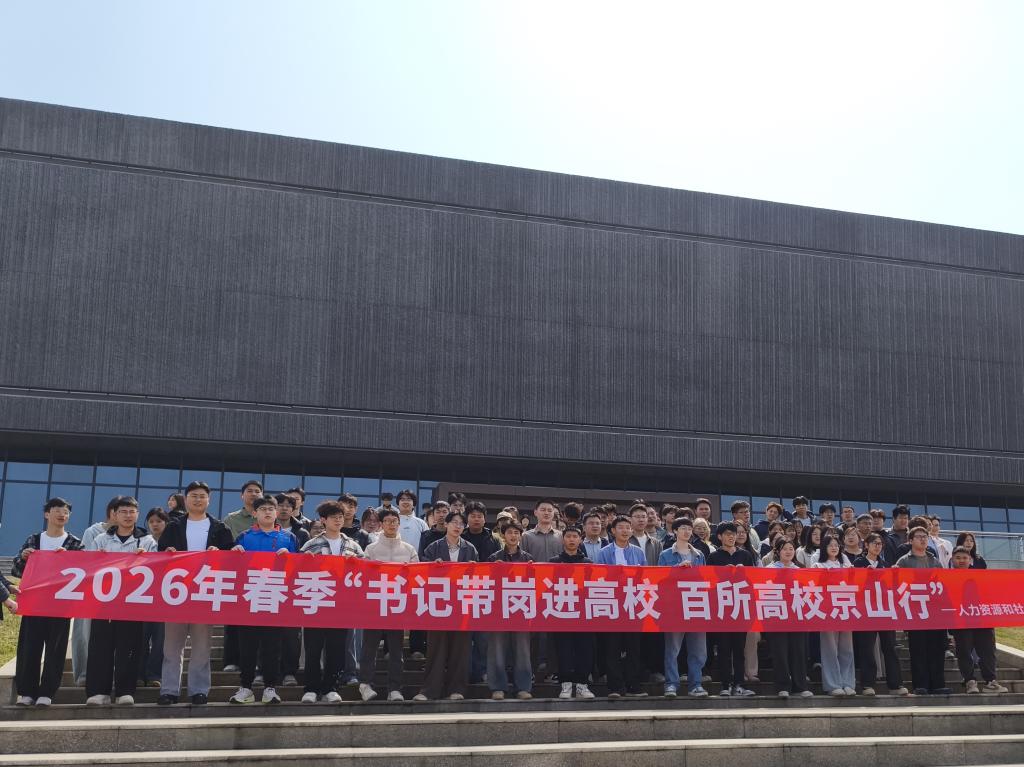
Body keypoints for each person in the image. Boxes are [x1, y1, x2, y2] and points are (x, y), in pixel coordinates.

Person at [158, 481, 234, 705]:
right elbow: (160, 554)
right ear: (186, 499)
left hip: (205, 593)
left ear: (209, 500)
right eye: (193, 496)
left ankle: (199, 690)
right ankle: (169, 690)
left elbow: (232, 557)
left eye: (202, 496)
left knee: (202, 646)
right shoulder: (173, 526)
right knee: (172, 647)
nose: (198, 500)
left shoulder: (220, 528)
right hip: (176, 593)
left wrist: (220, 553)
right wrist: (167, 552)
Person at [86, 496, 158, 706]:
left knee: (130, 648)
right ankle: (98, 691)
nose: (128, 516)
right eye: (123, 512)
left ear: (137, 515)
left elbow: (156, 570)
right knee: (100, 647)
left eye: (132, 512)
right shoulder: (101, 540)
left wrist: (145, 559)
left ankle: (125, 691)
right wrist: (96, 559)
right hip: (104, 604)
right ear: (114, 515)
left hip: (132, 604)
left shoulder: (147, 541)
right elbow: (88, 568)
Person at [228, 494, 298, 705]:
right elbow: (232, 567)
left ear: (276, 513)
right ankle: (246, 687)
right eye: (263, 509)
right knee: (247, 648)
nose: (267, 512)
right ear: (254, 513)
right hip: (249, 599)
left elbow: (300, 569)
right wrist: (233, 552)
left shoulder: (289, 538)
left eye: (271, 509)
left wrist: (292, 558)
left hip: (276, 598)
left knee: (272, 647)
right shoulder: (244, 537)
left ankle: (270, 688)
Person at [12, 497, 83, 706]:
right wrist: (24, 558)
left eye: (66, 512)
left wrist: (69, 558)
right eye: (57, 510)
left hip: (61, 605)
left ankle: (47, 692)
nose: (62, 515)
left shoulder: (74, 543)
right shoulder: (34, 540)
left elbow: (84, 572)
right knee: (30, 648)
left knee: (56, 650)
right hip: (34, 603)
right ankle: (27, 693)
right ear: (47, 514)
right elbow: (17, 571)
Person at [301, 500, 365, 703]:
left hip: (342, 606)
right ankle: (311, 688)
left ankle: (331, 687)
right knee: (313, 649)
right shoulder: (311, 544)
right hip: (317, 603)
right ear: (323, 520)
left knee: (337, 649)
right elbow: (298, 572)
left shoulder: (353, 545)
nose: (338, 521)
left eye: (340, 517)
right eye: (333, 517)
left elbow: (365, 572)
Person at [415, 511, 479, 700]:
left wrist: (474, 568)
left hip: (462, 604)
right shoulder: (434, 547)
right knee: (436, 649)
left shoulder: (470, 548)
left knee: (461, 650)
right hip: (439, 604)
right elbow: (422, 570)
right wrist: (432, 565)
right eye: (454, 522)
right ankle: (429, 690)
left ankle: (456, 689)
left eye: (461, 523)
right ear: (447, 525)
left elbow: (478, 576)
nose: (458, 526)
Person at [357, 507, 417, 702]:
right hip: (375, 605)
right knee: (369, 647)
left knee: (396, 650)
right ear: (381, 525)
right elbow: (364, 576)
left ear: (399, 524)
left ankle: (395, 688)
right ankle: (365, 684)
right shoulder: (371, 549)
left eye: (395, 521)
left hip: (397, 606)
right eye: (388, 521)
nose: (392, 524)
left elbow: (418, 576)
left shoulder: (409, 549)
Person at [595, 515, 647, 697]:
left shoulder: (638, 552)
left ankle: (633, 685)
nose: (625, 530)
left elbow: (645, 577)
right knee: (613, 647)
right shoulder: (604, 553)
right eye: (621, 527)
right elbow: (599, 577)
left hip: (633, 605)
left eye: (627, 527)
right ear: (613, 531)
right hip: (612, 605)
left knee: (634, 648)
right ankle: (615, 687)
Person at [895, 525, 950, 695]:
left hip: (934, 612)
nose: (923, 539)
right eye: (919, 537)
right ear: (910, 540)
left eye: (925, 536)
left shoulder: (935, 561)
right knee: (918, 649)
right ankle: (921, 685)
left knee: (937, 649)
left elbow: (942, 585)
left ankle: (938, 684)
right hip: (915, 611)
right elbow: (897, 585)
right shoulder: (904, 561)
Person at [852, 533, 908, 696]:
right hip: (866, 611)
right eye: (874, 543)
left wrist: (895, 575)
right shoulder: (859, 563)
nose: (878, 546)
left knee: (890, 647)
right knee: (867, 648)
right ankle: (867, 684)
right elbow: (853, 584)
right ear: (866, 545)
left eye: (880, 544)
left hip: (884, 611)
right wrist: (864, 574)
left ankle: (895, 685)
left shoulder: (885, 565)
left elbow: (893, 588)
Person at [659, 518, 708, 697]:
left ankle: (696, 684)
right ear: (675, 531)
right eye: (683, 528)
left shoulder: (699, 555)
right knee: (672, 649)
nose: (687, 532)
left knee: (699, 650)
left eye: (689, 528)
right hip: (674, 607)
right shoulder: (665, 554)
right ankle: (671, 684)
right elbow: (660, 579)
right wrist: (676, 569)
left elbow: (705, 579)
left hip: (696, 605)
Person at [949, 546, 1007, 694]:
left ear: (970, 560)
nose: (962, 561)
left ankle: (991, 681)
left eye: (965, 558)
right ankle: (969, 681)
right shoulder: (946, 578)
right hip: (961, 622)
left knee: (988, 651)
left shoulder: (980, 576)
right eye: (958, 558)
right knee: (964, 652)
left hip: (982, 620)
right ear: (952, 560)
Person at [706, 522, 755, 697]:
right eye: (727, 534)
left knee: (739, 650)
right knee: (724, 649)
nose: (732, 536)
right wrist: (722, 573)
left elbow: (753, 581)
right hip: (722, 609)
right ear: (719, 536)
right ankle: (725, 685)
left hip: (741, 607)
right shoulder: (713, 557)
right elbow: (708, 582)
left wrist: (744, 573)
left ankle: (740, 684)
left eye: (733, 533)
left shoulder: (745, 555)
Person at [486, 522, 534, 700]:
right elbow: (487, 584)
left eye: (516, 533)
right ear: (503, 535)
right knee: (497, 649)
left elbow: (535, 584)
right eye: (509, 533)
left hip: (521, 609)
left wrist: (531, 571)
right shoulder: (494, 557)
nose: (513, 536)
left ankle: (523, 687)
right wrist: (494, 570)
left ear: (520, 536)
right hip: (498, 609)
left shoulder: (528, 558)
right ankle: (498, 687)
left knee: (522, 650)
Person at [221, 479, 264, 675]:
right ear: (242, 495)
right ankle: (232, 660)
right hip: (238, 575)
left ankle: (256, 662)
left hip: (263, 577)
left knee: (259, 622)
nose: (253, 494)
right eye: (249, 491)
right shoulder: (231, 519)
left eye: (257, 491)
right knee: (234, 619)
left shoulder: (267, 516)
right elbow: (226, 545)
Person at [549, 525, 595, 699]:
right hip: (561, 612)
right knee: (564, 650)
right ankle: (566, 685)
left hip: (583, 613)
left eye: (575, 536)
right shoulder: (553, 562)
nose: (571, 539)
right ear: (563, 539)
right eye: (568, 536)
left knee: (585, 649)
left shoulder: (588, 563)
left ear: (580, 539)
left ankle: (582, 685)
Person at [766, 538, 812, 698]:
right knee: (780, 652)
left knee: (799, 652)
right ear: (778, 551)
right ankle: (783, 685)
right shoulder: (769, 569)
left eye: (791, 548)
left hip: (797, 616)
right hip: (777, 616)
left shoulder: (800, 570)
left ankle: (800, 686)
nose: (788, 551)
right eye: (785, 548)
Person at [814, 534, 856, 696]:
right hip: (827, 611)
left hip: (845, 609)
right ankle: (833, 684)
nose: (834, 548)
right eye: (830, 545)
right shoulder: (818, 565)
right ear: (824, 548)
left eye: (836, 545)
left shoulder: (846, 563)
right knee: (830, 649)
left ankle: (848, 682)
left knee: (847, 649)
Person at [139, 508, 169, 688]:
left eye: (159, 521)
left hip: (164, 598)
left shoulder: (173, 543)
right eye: (151, 522)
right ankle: (138, 673)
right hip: (142, 598)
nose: (155, 524)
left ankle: (154, 674)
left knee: (160, 640)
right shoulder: (141, 541)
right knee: (140, 638)